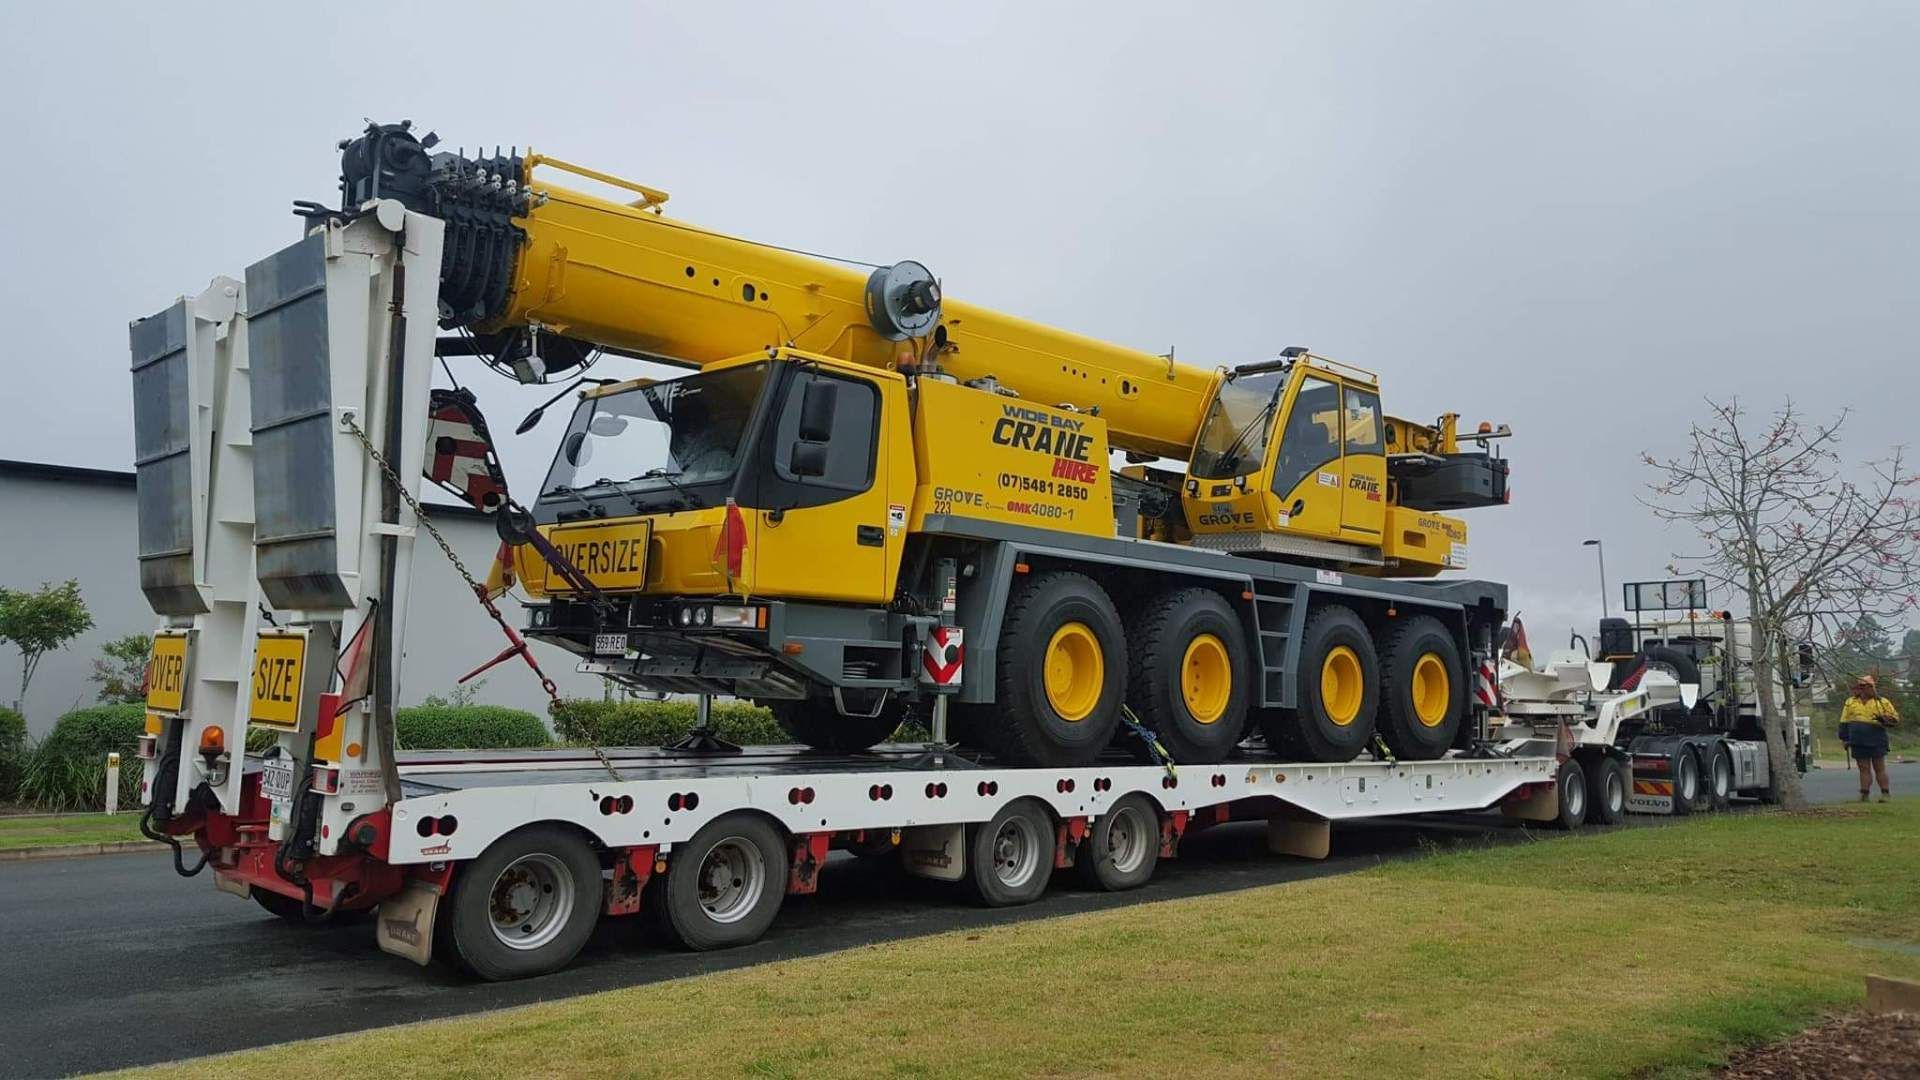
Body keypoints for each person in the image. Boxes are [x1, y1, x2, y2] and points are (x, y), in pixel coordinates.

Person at [1839, 675, 1898, 802]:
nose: (1866, 689)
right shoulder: (1850, 702)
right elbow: (1844, 721)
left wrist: (1885, 719)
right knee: (1863, 768)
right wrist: (1844, 738)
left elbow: (1895, 719)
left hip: (1877, 738)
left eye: (1869, 687)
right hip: (1857, 739)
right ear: (1860, 688)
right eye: (1863, 687)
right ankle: (1864, 794)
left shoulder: (1882, 702)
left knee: (1879, 767)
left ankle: (1885, 794)